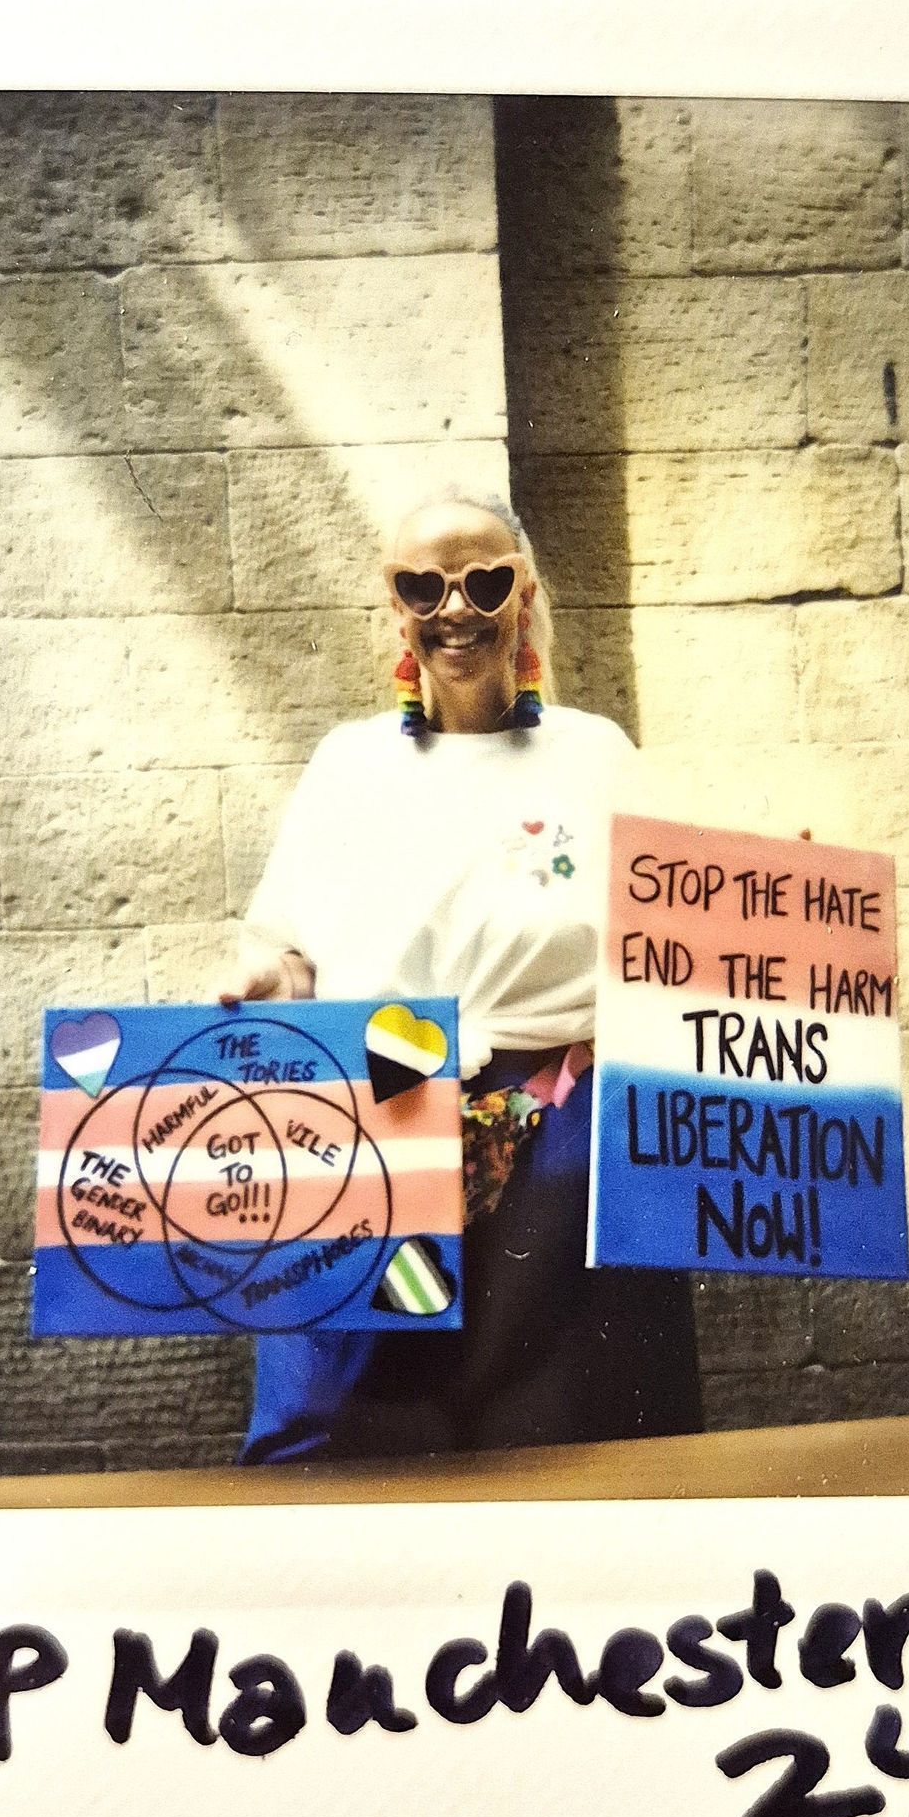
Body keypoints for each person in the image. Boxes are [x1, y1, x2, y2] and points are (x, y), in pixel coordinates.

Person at [222, 491, 702, 1462]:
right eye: (424, 585)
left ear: (524, 596)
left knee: (567, 1434)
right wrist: (270, 976)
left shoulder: (595, 755)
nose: (456, 608)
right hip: (378, 1129)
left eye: (485, 581)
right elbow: (293, 949)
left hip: (562, 1151)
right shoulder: (348, 765)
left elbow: (682, 933)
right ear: (395, 604)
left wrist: (777, 908)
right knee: (350, 1439)